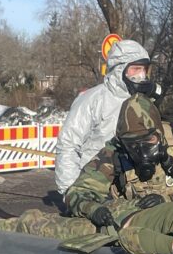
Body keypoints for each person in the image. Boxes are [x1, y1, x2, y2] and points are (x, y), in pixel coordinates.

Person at [0, 93, 173, 254]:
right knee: (59, 230)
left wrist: (170, 198)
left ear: (159, 133)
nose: (142, 152)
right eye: (133, 146)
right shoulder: (114, 154)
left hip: (171, 224)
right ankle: (1, 228)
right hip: (126, 227)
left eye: (149, 143)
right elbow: (77, 193)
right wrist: (95, 210)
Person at [54, 39, 155, 195]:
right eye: (135, 68)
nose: (141, 74)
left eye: (144, 69)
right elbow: (68, 145)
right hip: (96, 185)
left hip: (133, 188)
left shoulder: (146, 103)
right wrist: (72, 193)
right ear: (120, 69)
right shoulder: (93, 100)